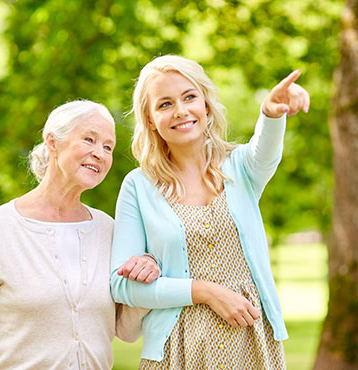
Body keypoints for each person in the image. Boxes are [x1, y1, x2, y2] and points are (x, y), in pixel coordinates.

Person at [110, 55, 310, 369]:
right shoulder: (138, 186)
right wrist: (205, 291)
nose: (180, 110)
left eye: (189, 97)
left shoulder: (242, 168)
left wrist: (271, 112)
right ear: (149, 119)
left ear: (205, 105)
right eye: (164, 104)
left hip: (252, 345)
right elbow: (122, 285)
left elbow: (267, 147)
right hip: (175, 352)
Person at [0, 100, 160, 370]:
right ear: (52, 142)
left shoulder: (109, 230)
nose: (100, 153)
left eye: (108, 147)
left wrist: (146, 275)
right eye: (89, 139)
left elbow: (126, 332)